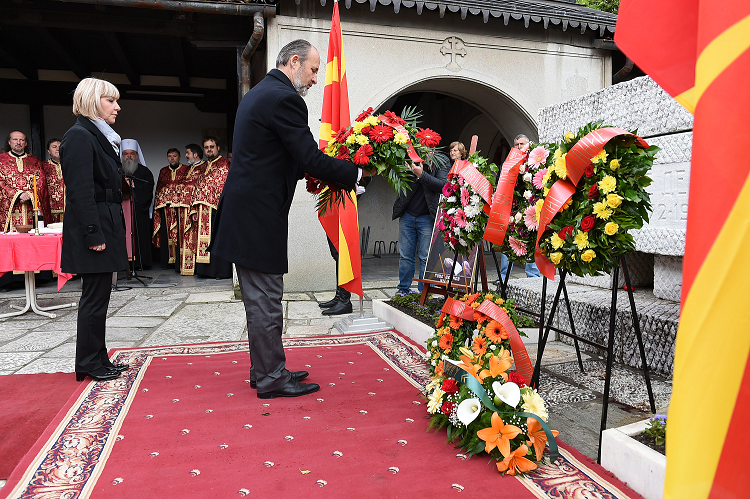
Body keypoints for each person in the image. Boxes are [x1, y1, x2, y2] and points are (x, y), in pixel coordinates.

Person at [210, 39, 361, 399]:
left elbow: (277, 158)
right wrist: (354, 172)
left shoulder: (261, 93)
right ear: (294, 61)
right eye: (311, 70)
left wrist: (318, 170)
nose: (313, 79)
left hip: (248, 212)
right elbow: (308, 157)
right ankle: (271, 379)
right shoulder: (284, 99)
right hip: (257, 217)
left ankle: (264, 369)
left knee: (259, 299)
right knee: (266, 300)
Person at [60, 77, 129, 382]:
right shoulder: (79, 136)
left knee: (100, 297)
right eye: (110, 100)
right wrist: (93, 233)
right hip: (95, 227)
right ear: (92, 101)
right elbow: (80, 191)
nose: (117, 106)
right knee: (94, 298)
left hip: (105, 222)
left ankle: (99, 357)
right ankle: (89, 362)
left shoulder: (97, 135)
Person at [392, 151, 450, 295]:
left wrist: (422, 174)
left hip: (427, 217)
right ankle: (403, 289)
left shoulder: (441, 160)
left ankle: (423, 293)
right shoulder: (410, 157)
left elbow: (443, 185)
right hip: (407, 215)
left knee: (425, 257)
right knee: (405, 256)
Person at [319, 177, 369, 316]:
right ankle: (339, 295)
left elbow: (366, 171)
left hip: (346, 198)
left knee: (343, 253)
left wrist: (355, 184)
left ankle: (345, 300)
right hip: (333, 197)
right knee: (336, 253)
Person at [189, 136, 232, 279]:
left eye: (211, 147)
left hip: (219, 209)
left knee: (218, 239)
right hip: (202, 211)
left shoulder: (225, 164)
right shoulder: (202, 167)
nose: (209, 149)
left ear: (218, 148)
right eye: (206, 147)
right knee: (204, 240)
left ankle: (220, 272)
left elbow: (226, 186)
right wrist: (194, 209)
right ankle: (205, 271)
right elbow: (196, 188)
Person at [500, 133, 541, 280]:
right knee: (510, 240)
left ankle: (533, 276)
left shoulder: (535, 160)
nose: (519, 147)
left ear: (528, 144)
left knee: (531, 240)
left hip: (532, 206)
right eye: (516, 145)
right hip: (514, 207)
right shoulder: (510, 163)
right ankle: (503, 277)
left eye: (522, 144)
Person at [0, 131, 50, 232]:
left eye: (21, 140)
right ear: (9, 142)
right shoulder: (1, 160)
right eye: (15, 139)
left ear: (26, 143)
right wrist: (18, 195)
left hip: (31, 208)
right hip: (9, 210)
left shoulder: (35, 161)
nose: (18, 142)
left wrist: (29, 195)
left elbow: (42, 183)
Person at [120, 139, 155, 270]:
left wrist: (136, 187)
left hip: (138, 210)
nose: (129, 156)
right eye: (126, 154)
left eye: (132, 153)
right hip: (122, 210)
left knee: (139, 235)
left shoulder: (144, 172)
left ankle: (140, 262)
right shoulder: (117, 171)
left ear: (137, 155)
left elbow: (148, 188)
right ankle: (123, 263)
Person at [153, 148, 188, 270]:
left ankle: (179, 262)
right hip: (166, 209)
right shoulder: (163, 171)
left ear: (179, 157)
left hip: (181, 211)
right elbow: (159, 190)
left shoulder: (186, 170)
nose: (172, 158)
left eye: (174, 156)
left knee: (180, 235)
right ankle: (167, 261)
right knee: (166, 235)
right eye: (169, 156)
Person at [176, 143, 206, 275]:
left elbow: (199, 189)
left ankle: (196, 268)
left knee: (194, 237)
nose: (186, 156)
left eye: (188, 153)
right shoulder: (188, 169)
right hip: (182, 210)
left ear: (196, 154)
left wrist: (194, 209)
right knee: (184, 238)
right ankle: (184, 267)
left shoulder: (204, 167)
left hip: (196, 209)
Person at [41, 138, 65, 224]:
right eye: (54, 147)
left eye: (60, 146)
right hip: (50, 208)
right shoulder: (43, 166)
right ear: (48, 151)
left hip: (69, 207)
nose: (58, 149)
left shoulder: (70, 165)